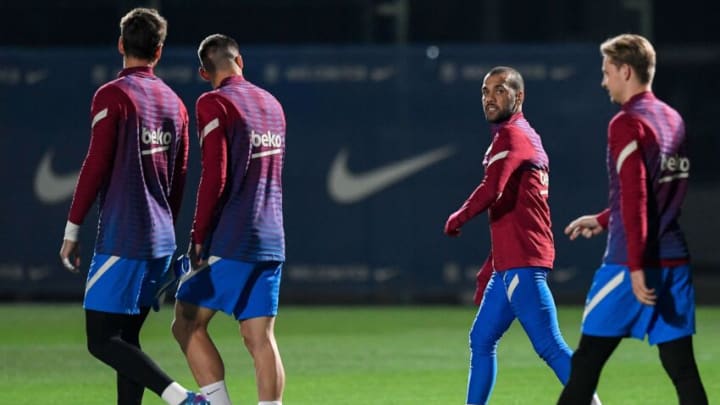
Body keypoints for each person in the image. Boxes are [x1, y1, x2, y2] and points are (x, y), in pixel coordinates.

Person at [57, 7, 209, 405]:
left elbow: (95, 165)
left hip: (124, 240)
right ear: (158, 51)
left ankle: (182, 398)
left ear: (121, 44)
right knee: (127, 340)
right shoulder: (175, 104)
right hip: (159, 241)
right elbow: (179, 179)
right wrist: (166, 232)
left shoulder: (113, 95)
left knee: (101, 340)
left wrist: (73, 229)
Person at [557, 34, 708, 405]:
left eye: (607, 72)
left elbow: (639, 197)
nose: (603, 81)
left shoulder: (626, 122)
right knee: (683, 370)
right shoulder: (672, 119)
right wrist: (605, 218)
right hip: (673, 262)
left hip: (630, 265)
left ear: (626, 71)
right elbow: (655, 193)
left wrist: (637, 266)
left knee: (586, 364)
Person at [444, 66, 600, 405]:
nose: (490, 97)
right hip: (511, 261)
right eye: (485, 91)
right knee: (482, 339)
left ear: (520, 95)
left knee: (550, 346)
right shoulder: (521, 135)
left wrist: (457, 217)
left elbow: (492, 190)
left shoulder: (513, 135)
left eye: (500, 89)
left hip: (523, 261)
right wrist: (492, 265)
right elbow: (512, 210)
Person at [171, 33, 286, 405]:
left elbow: (215, 176)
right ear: (242, 61)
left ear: (204, 73)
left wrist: (198, 233)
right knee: (260, 338)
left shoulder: (213, 103)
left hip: (233, 237)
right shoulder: (272, 104)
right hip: (271, 238)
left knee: (186, 322)